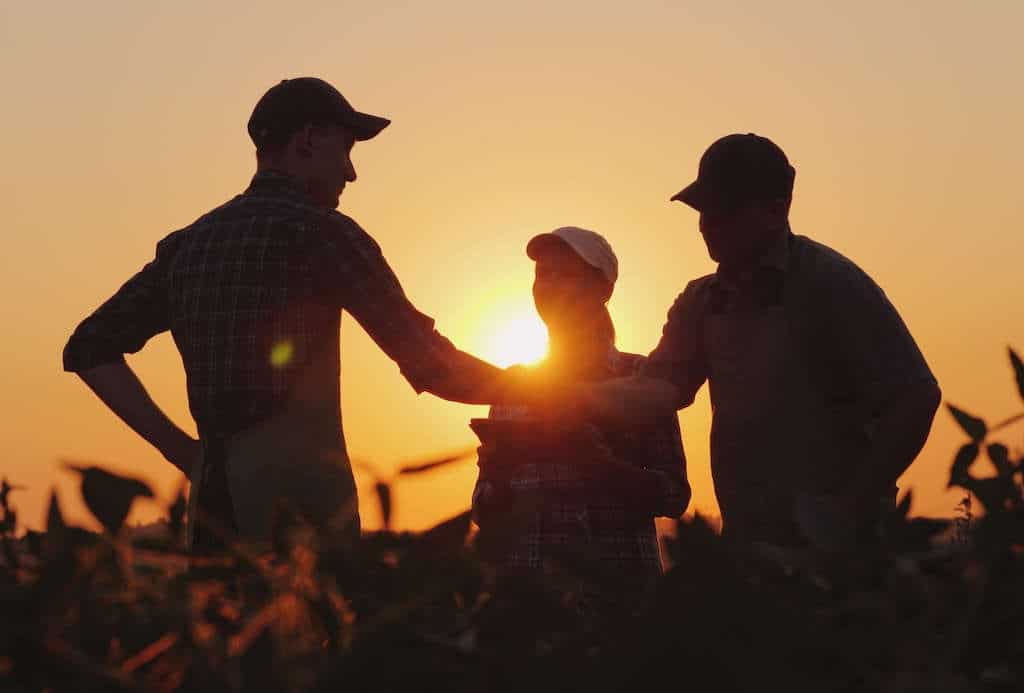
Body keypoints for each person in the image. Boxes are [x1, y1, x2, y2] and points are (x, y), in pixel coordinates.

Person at [62, 77, 502, 552]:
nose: (350, 173)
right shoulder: (323, 234)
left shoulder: (189, 245)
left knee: (220, 626)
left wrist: (185, 454)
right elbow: (433, 366)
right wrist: (547, 392)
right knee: (313, 626)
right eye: (346, 150)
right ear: (308, 140)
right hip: (304, 516)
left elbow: (89, 347)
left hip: (214, 508)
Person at [572, 134, 941, 550]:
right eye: (703, 210)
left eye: (724, 209)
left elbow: (916, 397)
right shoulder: (703, 301)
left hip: (842, 559)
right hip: (750, 551)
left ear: (776, 209)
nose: (708, 223)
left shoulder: (831, 283)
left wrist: (850, 506)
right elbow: (657, 389)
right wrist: (558, 395)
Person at [470, 226, 690, 636]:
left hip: (620, 601)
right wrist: (497, 473)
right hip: (529, 605)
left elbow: (675, 493)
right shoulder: (512, 385)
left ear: (603, 289)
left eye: (564, 274)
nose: (548, 286)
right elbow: (485, 512)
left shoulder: (640, 378)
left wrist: (601, 467)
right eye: (542, 275)